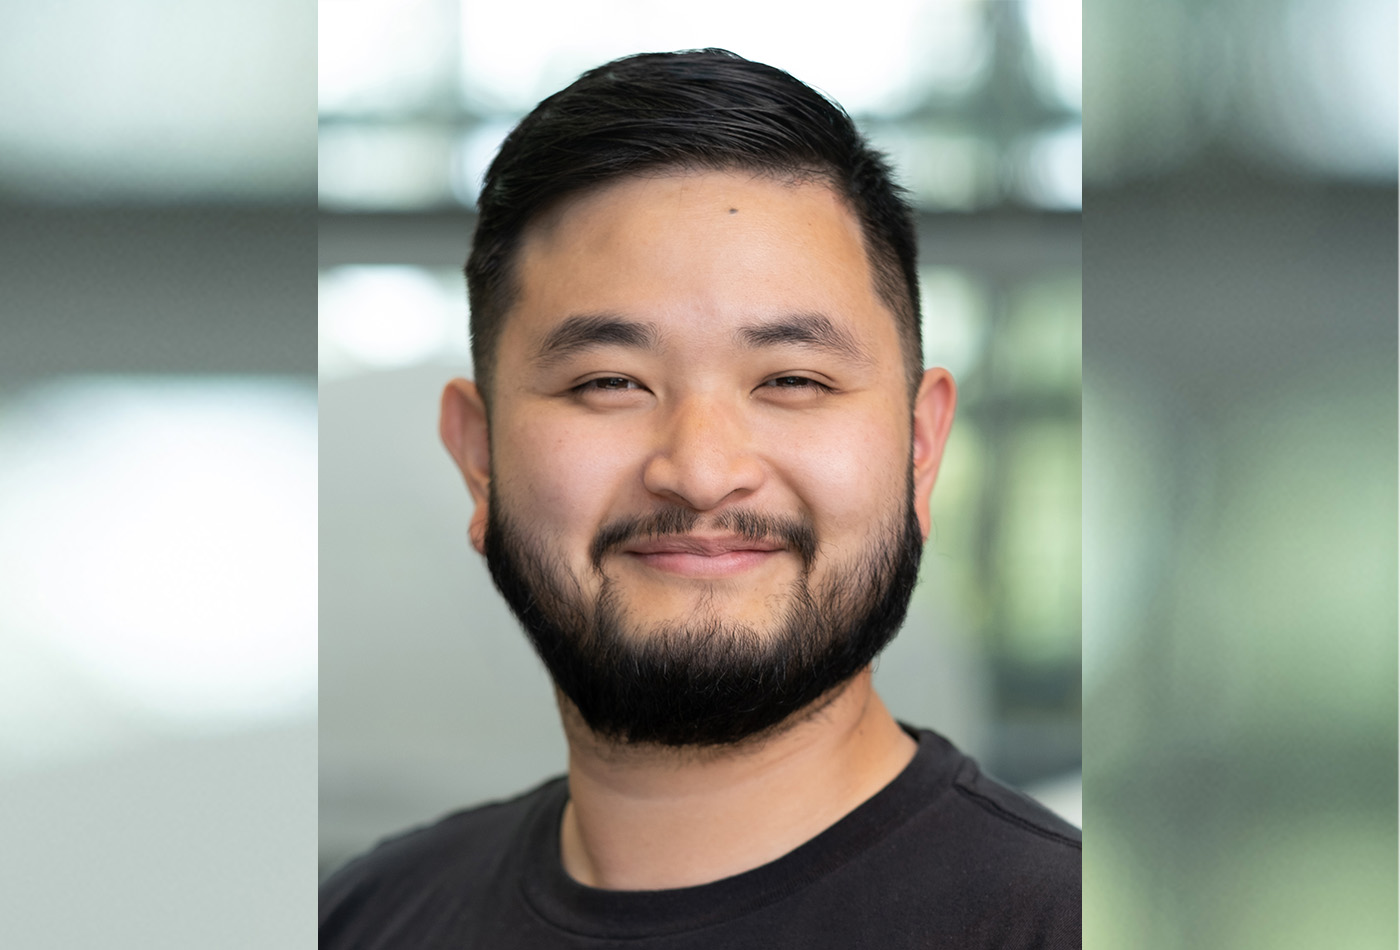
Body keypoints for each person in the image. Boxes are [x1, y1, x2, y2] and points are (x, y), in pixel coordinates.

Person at [320, 49, 1080, 948]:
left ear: (920, 447)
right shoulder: (366, 918)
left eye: (793, 379)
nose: (702, 469)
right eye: (610, 382)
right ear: (478, 455)